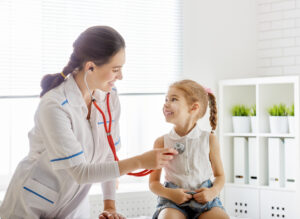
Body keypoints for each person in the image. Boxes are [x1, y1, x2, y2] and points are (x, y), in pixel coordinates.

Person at [0, 26, 177, 219]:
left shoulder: (109, 97)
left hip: (73, 207)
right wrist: (140, 161)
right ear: (90, 66)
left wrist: (110, 205)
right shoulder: (54, 105)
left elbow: (108, 155)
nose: (121, 77)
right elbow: (79, 171)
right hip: (30, 205)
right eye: (115, 70)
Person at [149, 80, 229, 219]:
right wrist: (170, 194)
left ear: (193, 108)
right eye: (166, 99)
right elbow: (153, 183)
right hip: (172, 202)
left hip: (205, 202)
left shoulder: (209, 139)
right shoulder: (161, 142)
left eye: (173, 99)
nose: (166, 104)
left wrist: (212, 192)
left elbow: (220, 176)